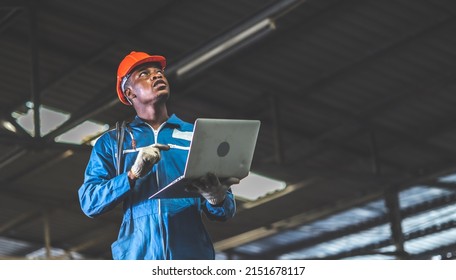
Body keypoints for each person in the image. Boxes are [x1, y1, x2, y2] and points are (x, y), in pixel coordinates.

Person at [78, 51, 239, 260]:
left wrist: (217, 199)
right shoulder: (112, 143)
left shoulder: (197, 136)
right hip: (138, 257)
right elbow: (90, 202)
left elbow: (226, 209)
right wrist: (132, 175)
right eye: (144, 73)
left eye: (159, 72)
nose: (157, 76)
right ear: (130, 93)